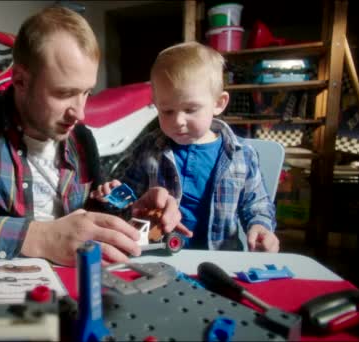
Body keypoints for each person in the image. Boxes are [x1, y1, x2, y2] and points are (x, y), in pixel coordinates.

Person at [0, 6, 191, 266]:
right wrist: (38, 236)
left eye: (86, 92)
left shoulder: (80, 139)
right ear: (20, 80)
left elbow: (87, 215)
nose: (80, 113)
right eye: (64, 94)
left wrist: (133, 213)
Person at [91, 41, 280, 252]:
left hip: (222, 258)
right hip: (158, 254)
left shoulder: (242, 155)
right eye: (167, 111)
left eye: (190, 109)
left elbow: (257, 204)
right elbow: (131, 201)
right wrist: (113, 195)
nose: (178, 121)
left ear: (218, 103)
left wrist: (261, 227)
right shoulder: (149, 149)